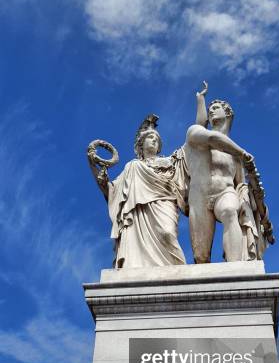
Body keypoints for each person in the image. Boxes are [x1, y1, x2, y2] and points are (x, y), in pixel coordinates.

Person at [183, 82, 267, 263]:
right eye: (209, 108)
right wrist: (243, 154)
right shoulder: (196, 136)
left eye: (216, 107)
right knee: (201, 256)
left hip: (226, 191)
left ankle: (236, 268)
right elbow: (214, 138)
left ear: (228, 113)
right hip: (199, 196)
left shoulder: (235, 157)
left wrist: (253, 193)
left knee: (230, 211)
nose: (211, 110)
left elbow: (241, 184)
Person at [88, 115, 186, 268]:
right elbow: (109, 191)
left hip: (164, 203)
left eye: (156, 139)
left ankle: (177, 274)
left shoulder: (170, 162)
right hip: (137, 212)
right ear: (141, 144)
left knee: (167, 233)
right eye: (150, 137)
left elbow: (191, 145)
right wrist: (92, 164)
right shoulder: (132, 167)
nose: (154, 140)